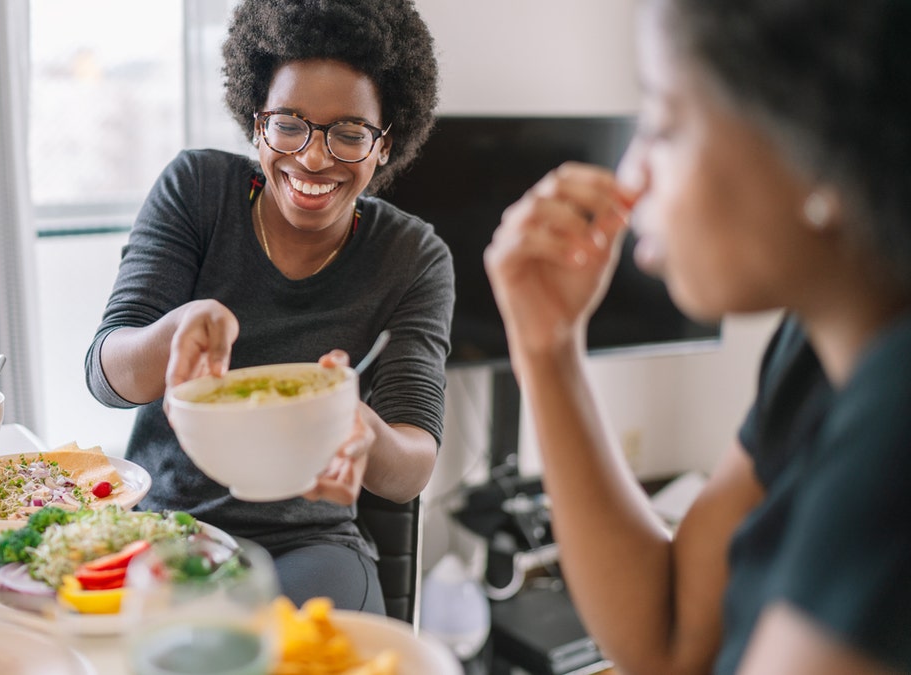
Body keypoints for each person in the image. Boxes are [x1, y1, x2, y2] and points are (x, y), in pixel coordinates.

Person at [483, 0, 911, 673]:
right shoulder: (814, 344)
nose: (631, 176)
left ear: (819, 143)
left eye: (663, 124)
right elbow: (672, 635)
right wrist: (547, 346)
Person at [84, 0, 453, 615]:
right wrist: (174, 331)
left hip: (311, 542)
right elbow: (106, 375)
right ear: (257, 124)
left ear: (385, 145)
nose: (312, 157)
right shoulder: (197, 191)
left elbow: (412, 466)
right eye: (289, 123)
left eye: (350, 132)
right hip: (168, 529)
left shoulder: (412, 256)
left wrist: (359, 428)